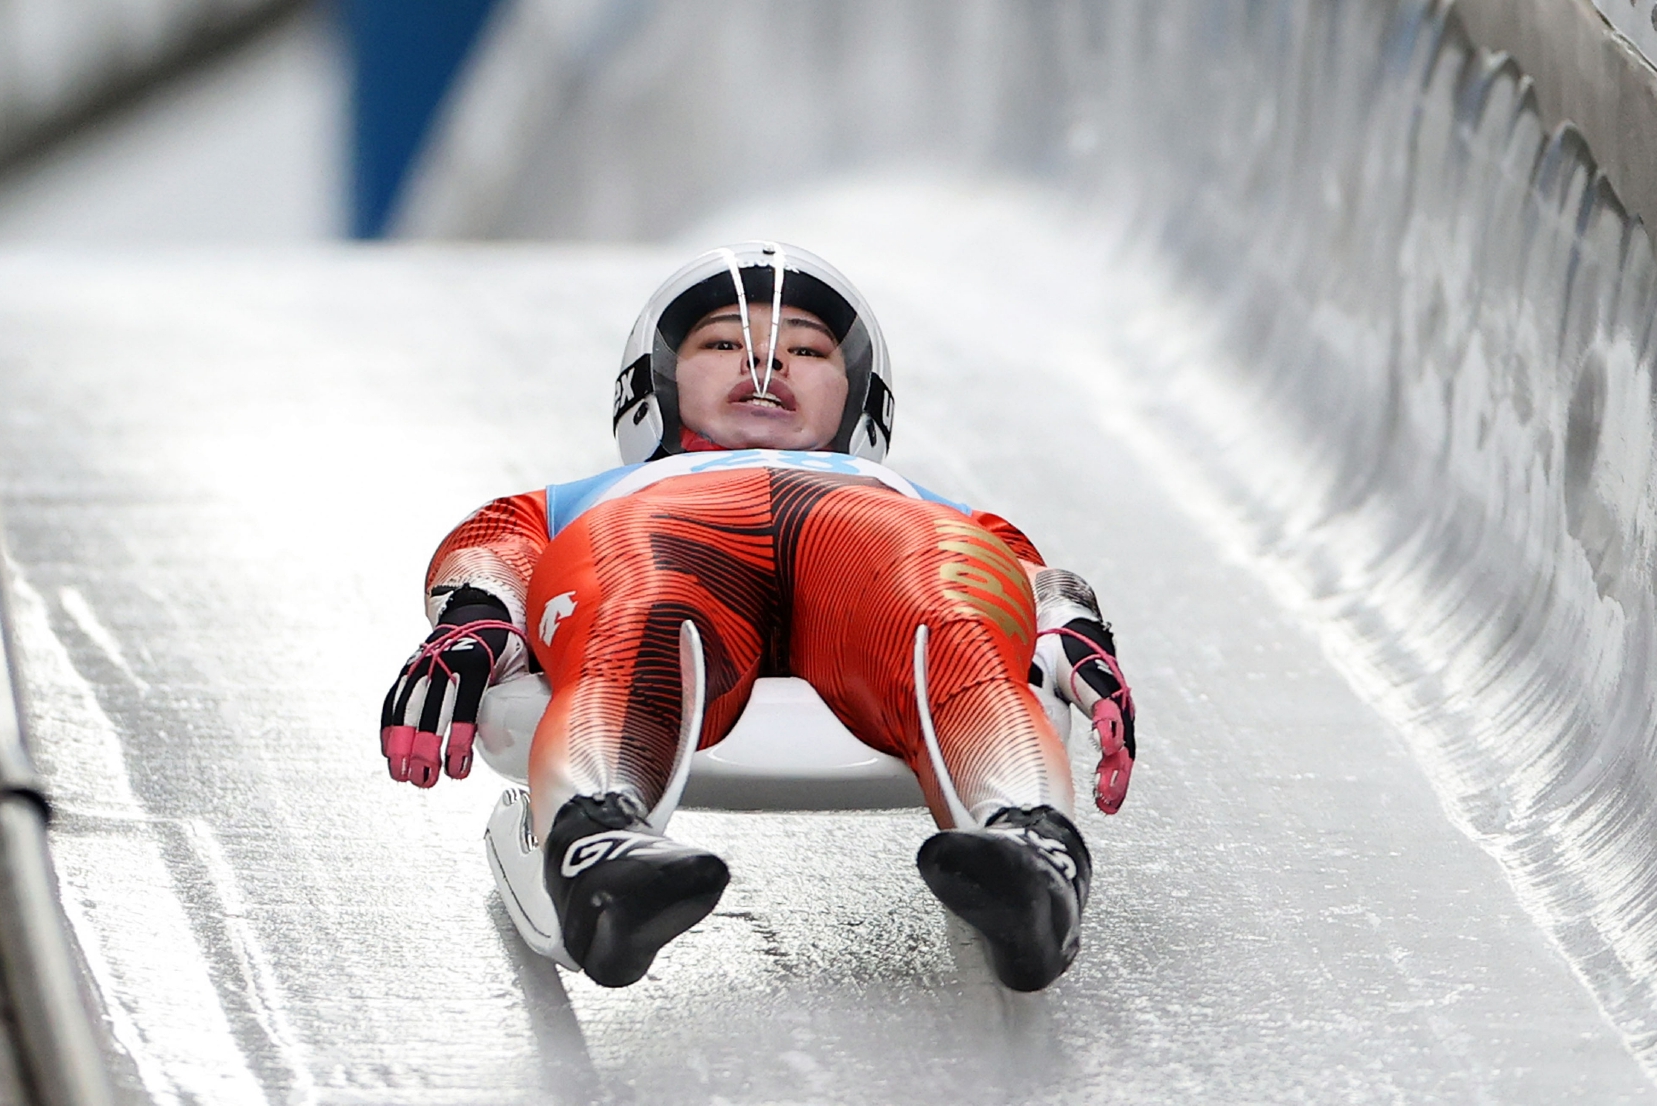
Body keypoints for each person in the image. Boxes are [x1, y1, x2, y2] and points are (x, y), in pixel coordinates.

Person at [380, 242, 1136, 991]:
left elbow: (1027, 572)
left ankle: (1030, 844)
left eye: (806, 350)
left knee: (944, 609)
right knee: (642, 602)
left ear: (857, 396)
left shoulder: (920, 501)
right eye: (721, 343)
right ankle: (598, 840)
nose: (767, 363)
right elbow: (495, 544)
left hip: (868, 536)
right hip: (667, 527)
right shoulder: (589, 495)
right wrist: (477, 618)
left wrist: (1070, 621)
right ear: (659, 383)